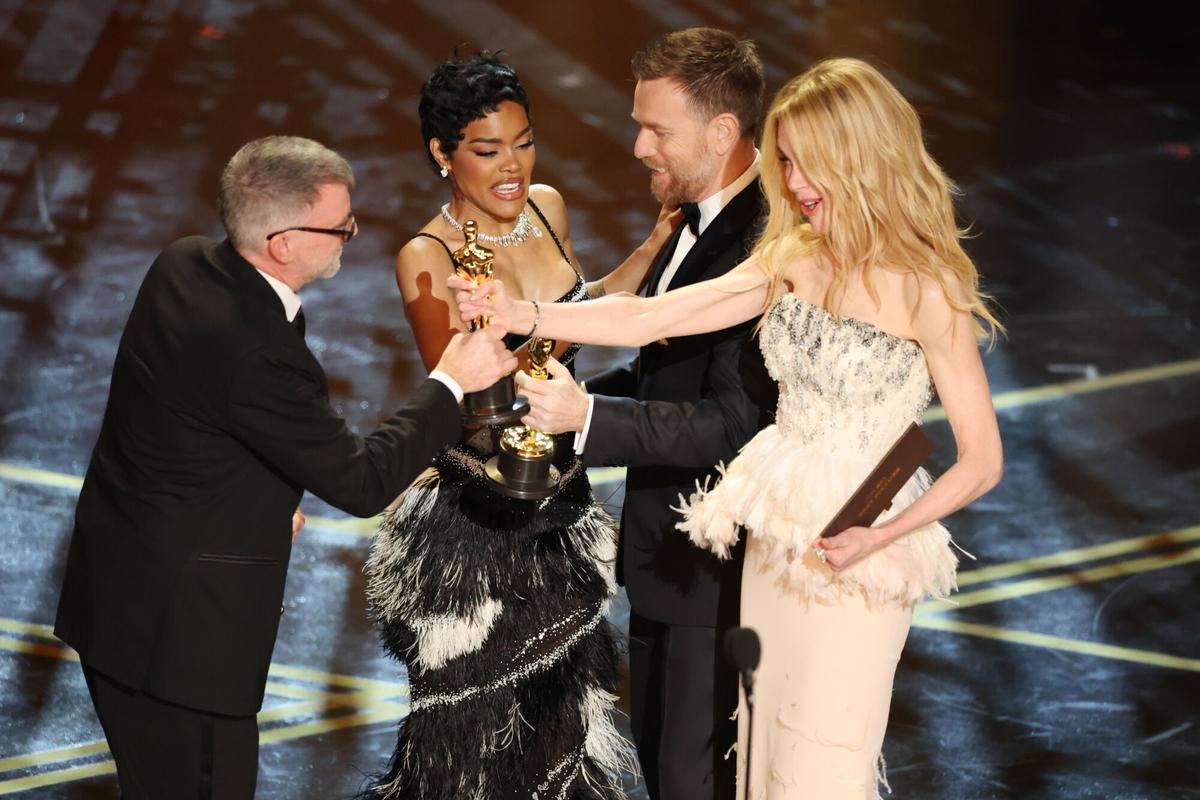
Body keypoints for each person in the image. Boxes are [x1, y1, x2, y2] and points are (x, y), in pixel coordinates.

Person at [454, 57, 1005, 800]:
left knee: (821, 762)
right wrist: (522, 314)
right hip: (776, 533)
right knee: (760, 757)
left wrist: (879, 534)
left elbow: (980, 459)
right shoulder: (793, 256)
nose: (795, 183)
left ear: (861, 156)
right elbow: (650, 319)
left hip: (861, 551)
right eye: (787, 161)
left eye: (810, 163)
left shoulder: (929, 288)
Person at [53, 135, 514, 800]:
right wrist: (450, 382)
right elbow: (361, 481)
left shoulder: (182, 264)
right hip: (180, 649)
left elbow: (185, 418)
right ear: (282, 243)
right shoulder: (257, 348)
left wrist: (264, 497)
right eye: (340, 226)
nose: (353, 234)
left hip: (115, 600)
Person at [357, 53, 670, 799]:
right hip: (482, 525)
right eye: (487, 150)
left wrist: (657, 244)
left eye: (524, 143)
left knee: (563, 733)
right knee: (477, 749)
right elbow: (472, 394)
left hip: (560, 504)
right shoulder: (427, 256)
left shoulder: (548, 208)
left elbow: (583, 308)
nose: (513, 167)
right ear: (442, 153)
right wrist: (507, 325)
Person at [512, 28, 776, 800]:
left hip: (720, 570)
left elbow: (733, 424)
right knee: (665, 770)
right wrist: (551, 409)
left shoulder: (763, 241)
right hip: (670, 564)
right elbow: (668, 372)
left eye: (658, 129)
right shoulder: (692, 218)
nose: (637, 147)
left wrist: (588, 419)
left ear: (721, 132)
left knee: (693, 779)